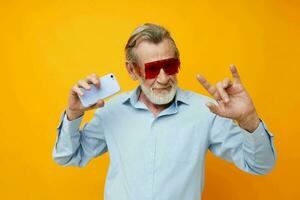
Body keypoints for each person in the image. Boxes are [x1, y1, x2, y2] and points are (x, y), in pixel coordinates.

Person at [52, 23, 276, 200]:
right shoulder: (112, 111)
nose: (163, 78)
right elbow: (67, 156)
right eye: (151, 70)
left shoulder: (207, 111)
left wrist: (248, 119)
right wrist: (73, 114)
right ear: (132, 70)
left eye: (170, 66)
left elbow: (260, 164)